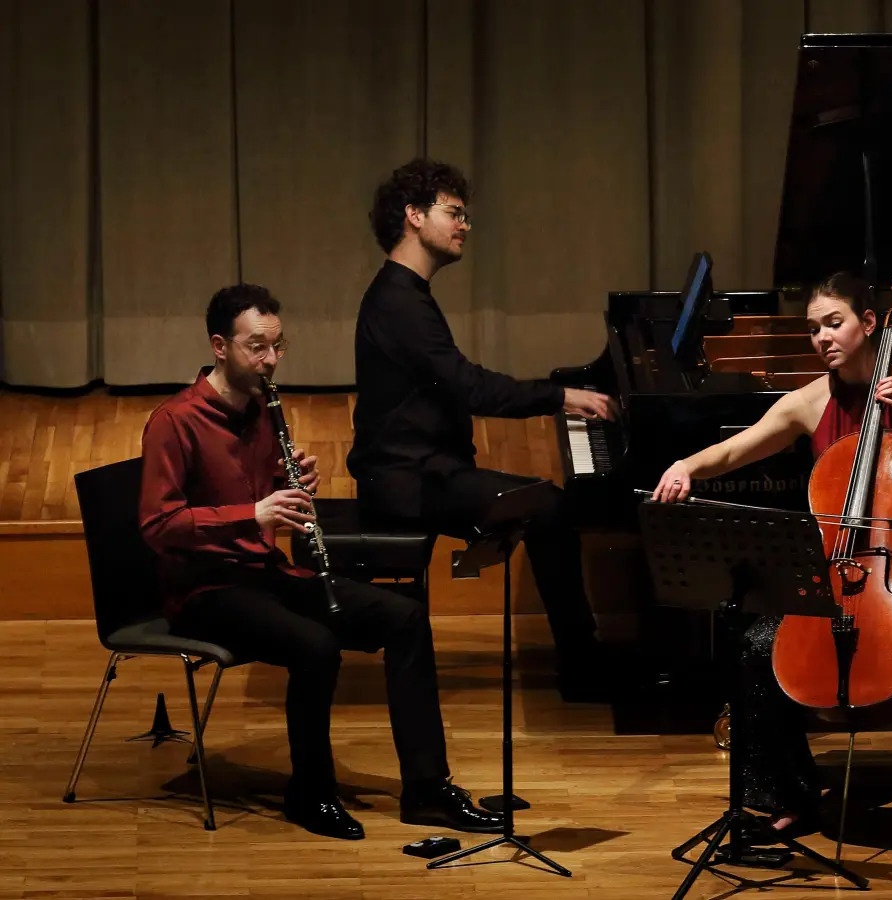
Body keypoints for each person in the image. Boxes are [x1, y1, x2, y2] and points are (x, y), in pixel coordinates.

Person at [649, 271, 892, 874]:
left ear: (870, 323)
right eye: (814, 327)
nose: (822, 337)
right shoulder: (810, 400)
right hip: (834, 576)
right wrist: (687, 465)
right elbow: (740, 447)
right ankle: (788, 795)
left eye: (834, 322)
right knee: (756, 646)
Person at [140, 284, 507, 841]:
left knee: (404, 618)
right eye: (256, 347)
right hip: (205, 591)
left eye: (278, 347)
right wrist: (253, 511)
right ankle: (309, 792)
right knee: (316, 645)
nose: (270, 360)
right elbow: (158, 525)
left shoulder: (264, 410)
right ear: (219, 345)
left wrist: (289, 486)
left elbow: (262, 497)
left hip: (264, 575)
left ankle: (428, 790)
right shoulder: (175, 421)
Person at [347, 158, 620, 702]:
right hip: (407, 482)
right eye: (454, 212)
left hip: (419, 470)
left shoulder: (404, 295)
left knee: (546, 507)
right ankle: (583, 665)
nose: (465, 224)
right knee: (550, 508)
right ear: (414, 216)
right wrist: (559, 395)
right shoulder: (400, 301)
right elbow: (469, 387)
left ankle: (582, 656)